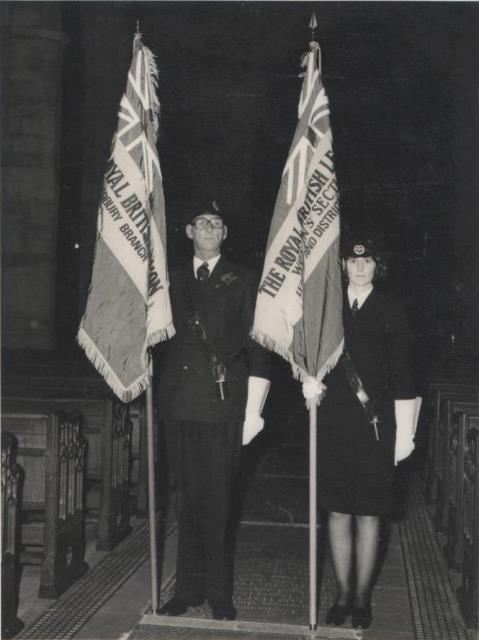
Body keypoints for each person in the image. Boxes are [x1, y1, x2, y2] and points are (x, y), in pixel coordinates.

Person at [156, 201, 271, 621]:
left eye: (216, 223)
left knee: (219, 499)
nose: (208, 229)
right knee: (186, 499)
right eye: (201, 223)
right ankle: (185, 589)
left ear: (224, 233)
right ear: (188, 231)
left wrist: (255, 409)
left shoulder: (242, 278)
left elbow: (259, 342)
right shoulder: (170, 277)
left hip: (224, 402)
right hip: (179, 402)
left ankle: (219, 593)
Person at [302, 236, 416, 630]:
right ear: (344, 267)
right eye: (352, 261)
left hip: (376, 422)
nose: (360, 267)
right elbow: (308, 352)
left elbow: (405, 376)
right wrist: (308, 378)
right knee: (336, 510)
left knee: (369, 514)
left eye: (367, 262)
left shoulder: (392, 310)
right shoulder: (326, 309)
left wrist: (406, 433)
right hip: (334, 421)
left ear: (377, 266)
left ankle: (363, 599)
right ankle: (341, 594)